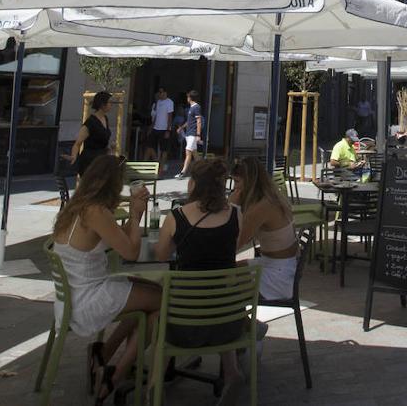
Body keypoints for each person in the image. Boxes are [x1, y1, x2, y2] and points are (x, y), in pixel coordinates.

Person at [53, 155, 159, 403]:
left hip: (72, 295)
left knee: (150, 292)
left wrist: (134, 215)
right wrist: (135, 214)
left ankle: (103, 354)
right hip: (88, 297)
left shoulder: (78, 207)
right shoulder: (96, 212)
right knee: (162, 301)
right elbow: (131, 252)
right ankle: (116, 373)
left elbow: (118, 239)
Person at [155, 159, 248, 405]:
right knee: (216, 290)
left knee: (162, 310)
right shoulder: (236, 215)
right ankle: (231, 371)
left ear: (193, 184)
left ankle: (155, 382)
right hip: (229, 323)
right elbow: (233, 248)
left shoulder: (176, 217)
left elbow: (161, 256)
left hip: (184, 326)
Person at [230, 158, 297, 301]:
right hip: (282, 265)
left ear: (249, 183)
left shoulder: (261, 207)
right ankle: (244, 322)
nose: (234, 188)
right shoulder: (272, 197)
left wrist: (232, 207)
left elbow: (235, 244)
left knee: (222, 280)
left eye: (236, 182)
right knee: (228, 270)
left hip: (277, 276)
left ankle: (243, 322)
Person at [69, 91, 113, 179]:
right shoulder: (91, 122)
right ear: (102, 104)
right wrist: (74, 156)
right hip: (90, 161)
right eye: (109, 102)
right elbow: (78, 143)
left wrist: (111, 148)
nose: (111, 105)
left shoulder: (105, 119)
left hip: (101, 160)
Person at [175, 90, 203, 179]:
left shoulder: (196, 107)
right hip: (189, 133)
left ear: (190, 98)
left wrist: (198, 135)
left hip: (193, 134)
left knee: (188, 152)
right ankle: (205, 169)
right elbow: (190, 121)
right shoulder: (191, 107)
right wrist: (181, 128)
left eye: (188, 97)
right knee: (195, 153)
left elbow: (199, 121)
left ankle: (183, 172)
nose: (187, 98)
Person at [147, 88, 174, 165]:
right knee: (150, 145)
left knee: (164, 149)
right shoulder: (158, 102)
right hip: (155, 128)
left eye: (161, 92)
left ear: (165, 93)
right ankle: (157, 162)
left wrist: (168, 130)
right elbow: (156, 116)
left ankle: (161, 167)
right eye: (159, 92)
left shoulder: (169, 102)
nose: (159, 94)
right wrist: (151, 127)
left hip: (164, 129)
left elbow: (170, 117)